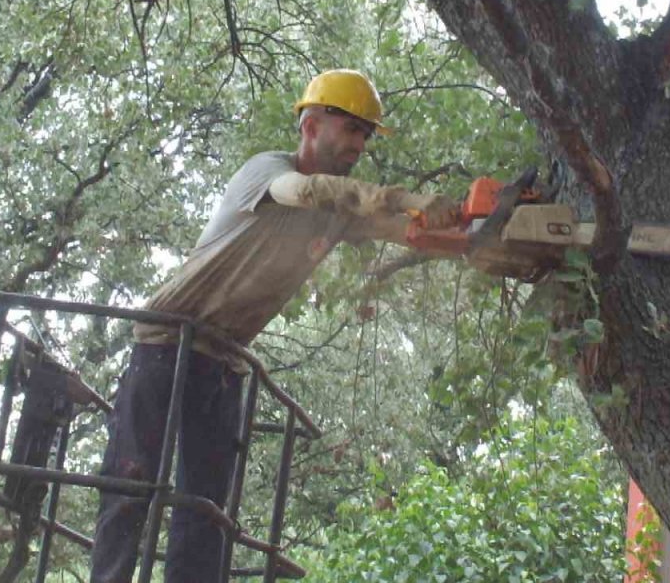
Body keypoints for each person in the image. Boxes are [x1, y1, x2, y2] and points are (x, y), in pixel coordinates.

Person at [89, 69, 461, 583]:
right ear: (310, 125)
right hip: (166, 342)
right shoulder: (267, 171)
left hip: (222, 359)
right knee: (132, 484)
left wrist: (465, 225)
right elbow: (307, 192)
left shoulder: (339, 213)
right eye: (350, 128)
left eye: (366, 135)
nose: (359, 143)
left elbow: (398, 229)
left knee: (205, 510)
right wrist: (404, 198)